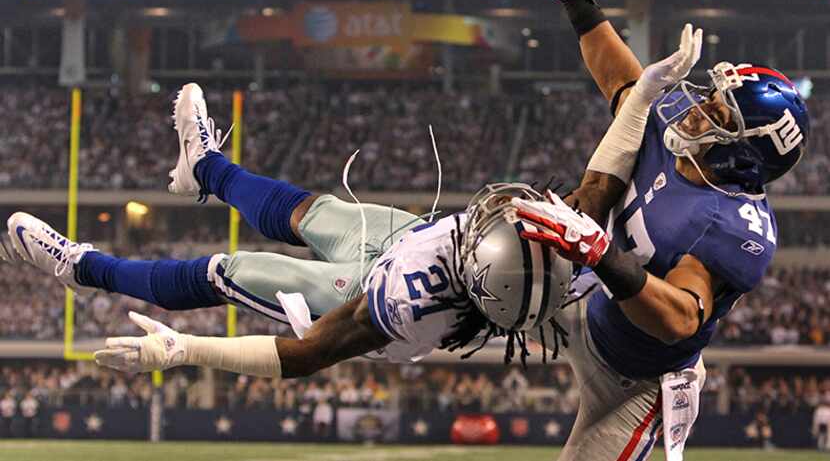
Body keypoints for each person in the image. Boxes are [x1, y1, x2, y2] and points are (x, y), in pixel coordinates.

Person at [7, 82, 577, 381]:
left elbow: (306, 356)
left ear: (479, 267)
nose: (494, 214)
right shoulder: (558, 257)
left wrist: (185, 349)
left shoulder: (407, 308)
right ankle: (204, 167)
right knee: (310, 210)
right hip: (408, 240)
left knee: (228, 270)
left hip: (363, 295)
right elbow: (598, 192)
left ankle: (80, 268)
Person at [500, 0, 809, 460]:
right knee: (466, 255)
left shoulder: (729, 226)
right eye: (712, 97)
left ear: (741, 151)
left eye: (718, 114)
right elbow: (622, 82)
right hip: (584, 307)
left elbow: (679, 318)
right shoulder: (674, 126)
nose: (697, 110)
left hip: (637, 384)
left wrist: (599, 252)